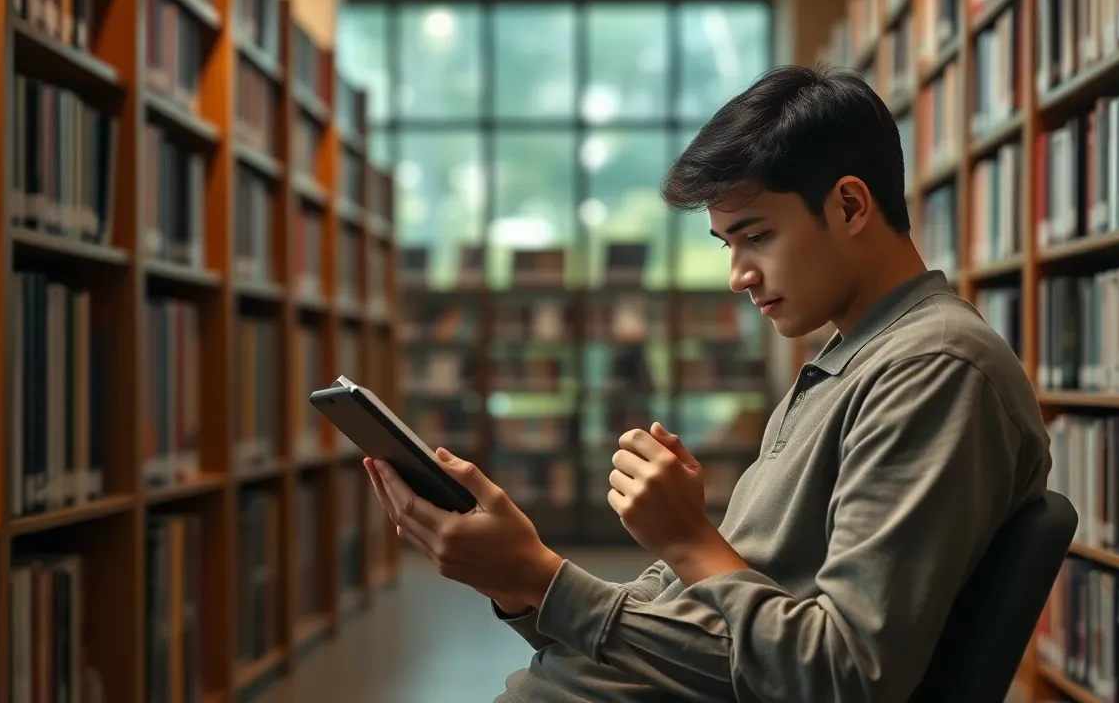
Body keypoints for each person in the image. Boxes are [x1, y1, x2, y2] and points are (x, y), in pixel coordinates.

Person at [364, 64, 1052, 703]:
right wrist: (520, 582)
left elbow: (843, 675)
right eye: (729, 245)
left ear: (848, 206)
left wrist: (669, 543)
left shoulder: (934, 371)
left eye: (757, 237)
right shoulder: (848, 360)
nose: (739, 275)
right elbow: (713, 619)